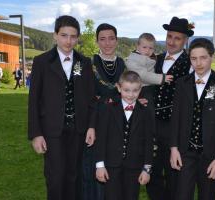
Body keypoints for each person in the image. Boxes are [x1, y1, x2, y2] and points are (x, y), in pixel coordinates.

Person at [28, 15, 96, 200]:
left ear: (78, 37)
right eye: (64, 35)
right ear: (55, 35)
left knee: (74, 176)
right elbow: (34, 100)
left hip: (77, 128)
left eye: (73, 36)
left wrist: (90, 125)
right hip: (52, 130)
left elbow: (89, 98)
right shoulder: (42, 62)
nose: (69, 41)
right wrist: (36, 133)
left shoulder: (82, 63)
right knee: (56, 176)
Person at [170, 38, 215, 200]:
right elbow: (175, 119)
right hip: (185, 154)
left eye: (203, 58)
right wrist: (173, 148)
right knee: (182, 195)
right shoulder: (181, 84)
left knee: (208, 195)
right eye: (194, 58)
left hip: (211, 155)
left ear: (212, 57)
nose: (198, 63)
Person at [146, 16, 194, 200]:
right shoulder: (154, 60)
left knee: (174, 173)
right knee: (152, 171)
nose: (172, 41)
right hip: (151, 124)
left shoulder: (191, 63)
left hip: (175, 127)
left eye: (177, 38)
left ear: (185, 40)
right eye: (169, 36)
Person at [81, 23, 126, 200]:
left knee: (116, 169)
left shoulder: (122, 63)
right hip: (96, 123)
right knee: (95, 170)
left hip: (118, 124)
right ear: (97, 41)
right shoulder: (88, 64)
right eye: (102, 39)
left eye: (111, 38)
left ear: (116, 40)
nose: (107, 43)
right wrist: (91, 126)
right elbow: (87, 98)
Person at [95, 71, 154, 200]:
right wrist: (100, 165)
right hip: (111, 166)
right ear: (119, 87)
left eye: (135, 91)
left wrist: (147, 169)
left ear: (140, 89)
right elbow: (101, 139)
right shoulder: (108, 109)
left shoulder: (146, 112)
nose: (131, 95)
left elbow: (149, 142)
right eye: (126, 90)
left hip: (134, 167)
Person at [126, 33, 173, 104]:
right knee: (147, 108)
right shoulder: (133, 60)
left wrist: (166, 58)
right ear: (137, 46)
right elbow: (142, 75)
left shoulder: (148, 57)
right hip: (141, 89)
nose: (147, 51)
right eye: (144, 47)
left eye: (151, 48)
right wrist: (162, 78)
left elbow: (154, 62)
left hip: (150, 86)